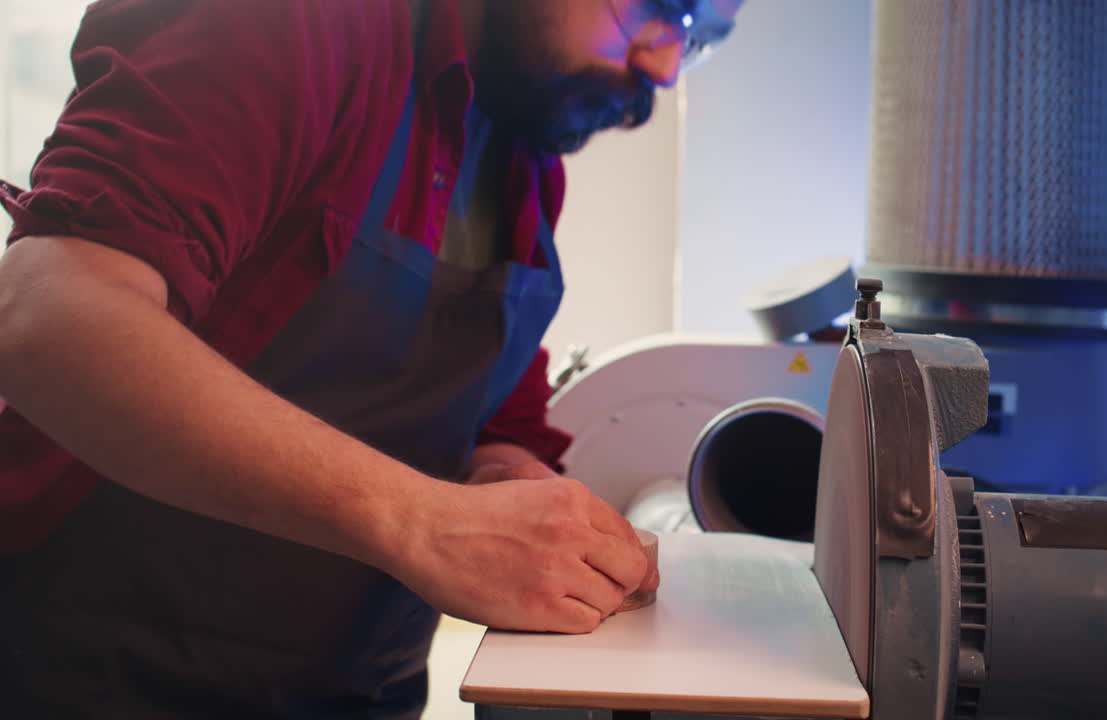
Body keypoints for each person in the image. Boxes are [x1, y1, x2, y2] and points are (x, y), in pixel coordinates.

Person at [0, 0, 743, 716]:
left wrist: (519, 498)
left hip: (355, 690)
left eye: (703, 37)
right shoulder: (289, 22)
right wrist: (426, 524)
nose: (668, 66)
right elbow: (48, 314)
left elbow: (491, 418)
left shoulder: (525, 157)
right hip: (95, 671)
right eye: (665, 7)